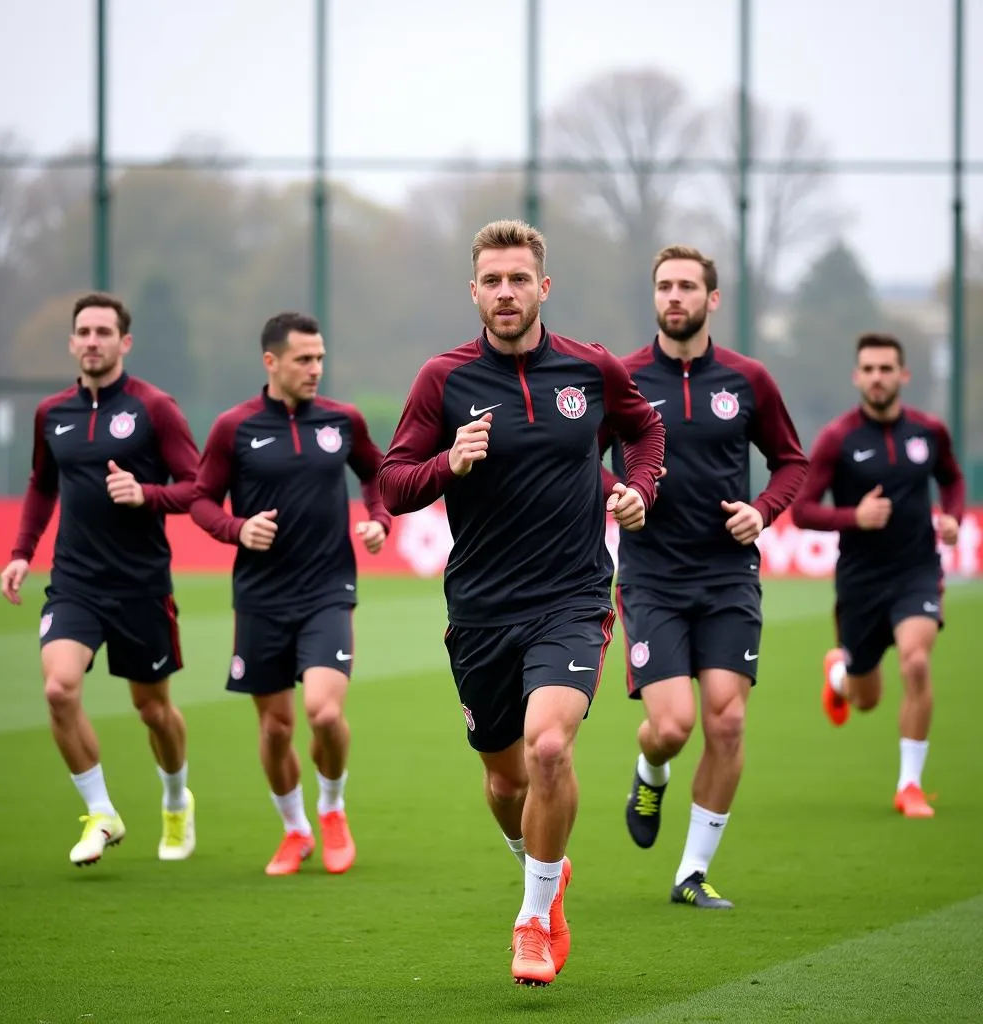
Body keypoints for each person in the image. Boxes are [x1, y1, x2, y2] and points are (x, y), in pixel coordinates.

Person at [379, 219, 665, 986]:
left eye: (519, 279)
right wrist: (450, 461)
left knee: (548, 749)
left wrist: (639, 488)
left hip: (571, 598)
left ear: (544, 286)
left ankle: (533, 919)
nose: (506, 293)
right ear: (474, 291)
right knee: (507, 782)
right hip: (478, 610)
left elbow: (643, 431)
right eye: (492, 281)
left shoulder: (589, 367)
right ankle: (547, 868)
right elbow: (393, 483)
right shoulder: (443, 380)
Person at [603, 245, 808, 910]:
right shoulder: (623, 377)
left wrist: (763, 510)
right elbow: (576, 458)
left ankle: (690, 873)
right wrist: (616, 491)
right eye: (664, 285)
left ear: (712, 299)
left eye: (688, 286)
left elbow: (791, 462)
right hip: (652, 576)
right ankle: (650, 770)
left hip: (727, 579)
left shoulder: (747, 380)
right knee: (673, 726)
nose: (675, 297)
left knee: (726, 724)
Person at [0, 292, 201, 867]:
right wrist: (20, 552)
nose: (92, 341)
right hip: (75, 584)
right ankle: (101, 812)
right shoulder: (52, 413)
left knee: (153, 711)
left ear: (124, 342)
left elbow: (196, 486)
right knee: (58, 688)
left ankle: (174, 799)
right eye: (83, 332)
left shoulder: (155, 408)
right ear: (72, 342)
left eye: (103, 332)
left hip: (141, 584)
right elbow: (42, 485)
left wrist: (147, 494)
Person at [190, 312, 390, 877]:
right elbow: (202, 500)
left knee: (324, 713)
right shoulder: (233, 427)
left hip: (329, 588)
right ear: (271, 362)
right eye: (304, 359)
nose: (315, 369)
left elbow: (377, 474)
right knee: (276, 728)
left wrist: (379, 520)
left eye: (320, 357)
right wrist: (237, 528)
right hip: (260, 595)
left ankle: (331, 810)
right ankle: (295, 828)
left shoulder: (342, 420)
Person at [791, 332, 964, 818]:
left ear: (903, 375)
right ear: (857, 376)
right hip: (861, 582)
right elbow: (802, 511)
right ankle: (841, 674)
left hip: (917, 571)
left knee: (915, 662)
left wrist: (953, 517)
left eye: (887, 369)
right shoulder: (838, 438)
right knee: (867, 699)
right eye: (868, 369)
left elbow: (952, 479)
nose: (877, 378)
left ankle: (909, 785)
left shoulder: (928, 432)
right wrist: (854, 517)